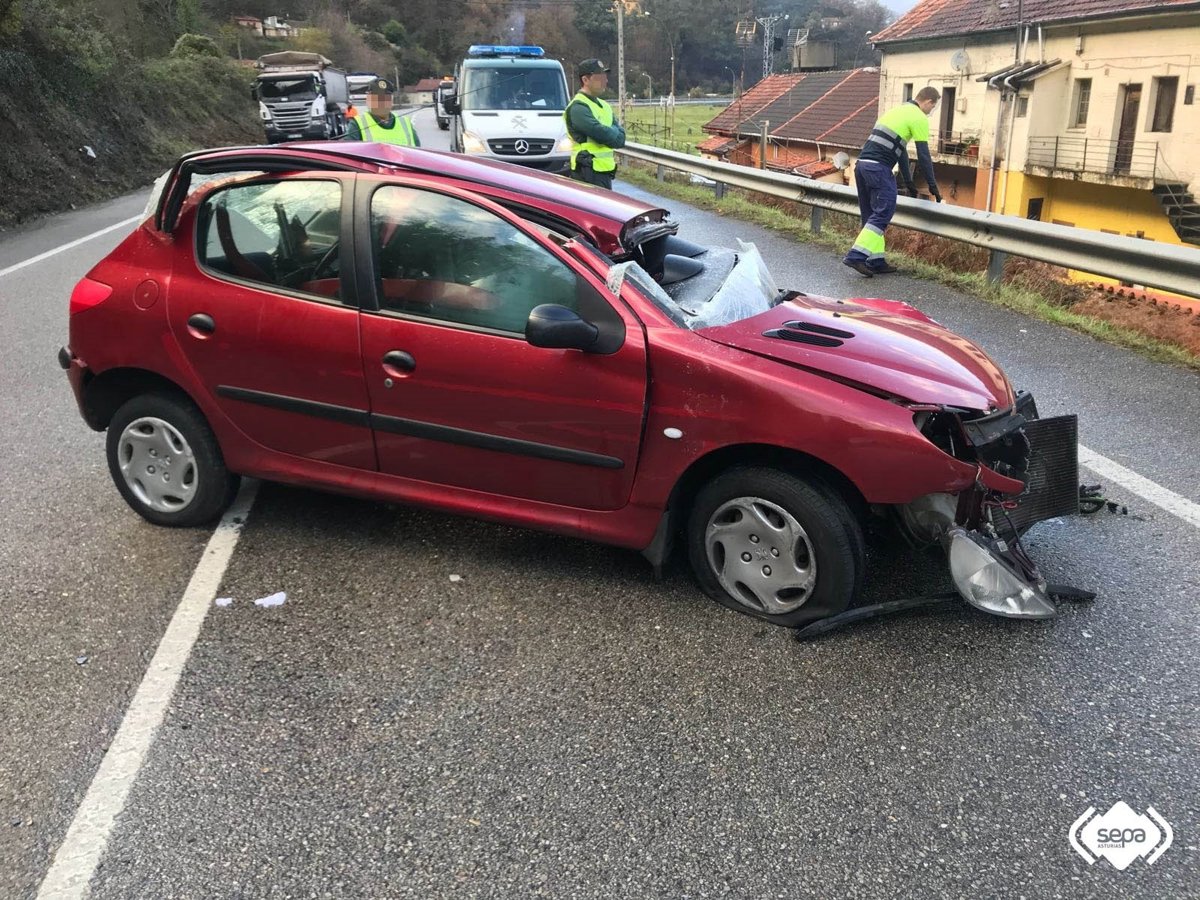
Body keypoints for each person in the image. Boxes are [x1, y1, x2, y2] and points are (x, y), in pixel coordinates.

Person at [843, 86, 942, 277]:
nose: (931, 111)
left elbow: (901, 152)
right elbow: (923, 155)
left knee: (871, 215)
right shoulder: (918, 117)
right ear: (929, 101)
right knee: (883, 212)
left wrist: (909, 182)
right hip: (878, 169)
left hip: (862, 166)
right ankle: (856, 256)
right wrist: (932, 185)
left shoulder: (896, 111)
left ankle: (876, 260)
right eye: (933, 107)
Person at [563, 59, 626, 190]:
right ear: (585, 80)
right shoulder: (578, 107)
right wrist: (612, 131)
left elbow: (621, 139)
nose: (605, 81)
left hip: (605, 172)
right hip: (586, 171)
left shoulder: (604, 106)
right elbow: (601, 134)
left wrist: (609, 132)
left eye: (605, 77)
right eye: (600, 78)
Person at [342, 78, 420, 146]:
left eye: (385, 98)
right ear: (368, 100)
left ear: (392, 101)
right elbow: (347, 152)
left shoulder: (405, 124)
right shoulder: (357, 125)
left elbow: (418, 153)